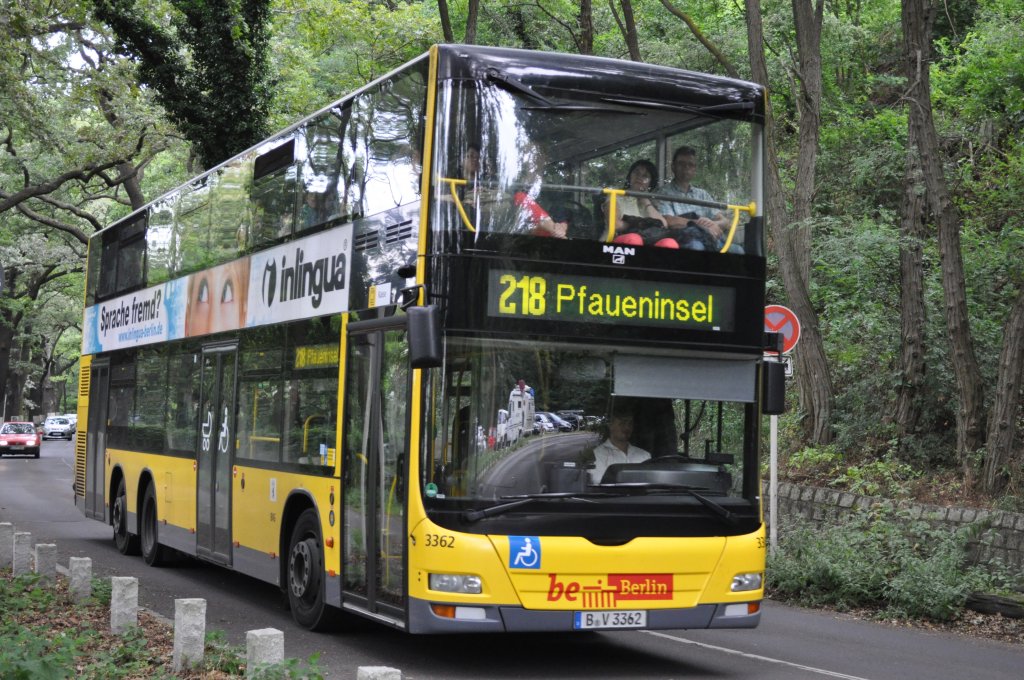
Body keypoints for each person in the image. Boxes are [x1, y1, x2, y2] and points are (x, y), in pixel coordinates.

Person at [658, 146, 739, 252]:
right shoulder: (663, 193)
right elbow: (668, 221)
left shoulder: (702, 194)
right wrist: (700, 224)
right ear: (673, 167)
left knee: (737, 250)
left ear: (695, 169)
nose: (686, 167)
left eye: (690, 164)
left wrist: (714, 224)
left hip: (709, 239)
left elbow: (725, 221)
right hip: (684, 240)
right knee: (697, 247)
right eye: (681, 163)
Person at [588, 409, 652, 484]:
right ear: (610, 426)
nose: (627, 428)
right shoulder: (597, 454)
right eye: (622, 423)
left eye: (630, 424)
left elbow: (650, 485)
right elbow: (598, 483)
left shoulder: (645, 455)